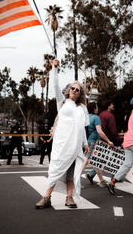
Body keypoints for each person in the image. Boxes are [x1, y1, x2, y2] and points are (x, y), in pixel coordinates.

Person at [35, 58, 89, 209]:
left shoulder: (82, 109)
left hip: (75, 144)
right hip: (60, 143)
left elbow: (82, 128)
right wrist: (55, 68)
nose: (74, 90)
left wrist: (85, 144)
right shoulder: (62, 102)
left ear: (80, 94)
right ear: (69, 89)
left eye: (77, 90)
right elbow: (55, 84)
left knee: (70, 173)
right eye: (72, 88)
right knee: (55, 169)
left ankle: (69, 198)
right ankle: (46, 197)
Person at [82, 102, 114, 187]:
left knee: (95, 161)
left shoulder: (87, 117)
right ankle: (75, 180)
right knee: (85, 162)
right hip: (93, 142)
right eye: (96, 107)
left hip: (87, 141)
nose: (97, 109)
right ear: (94, 109)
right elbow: (99, 131)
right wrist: (108, 141)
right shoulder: (96, 118)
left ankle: (102, 181)